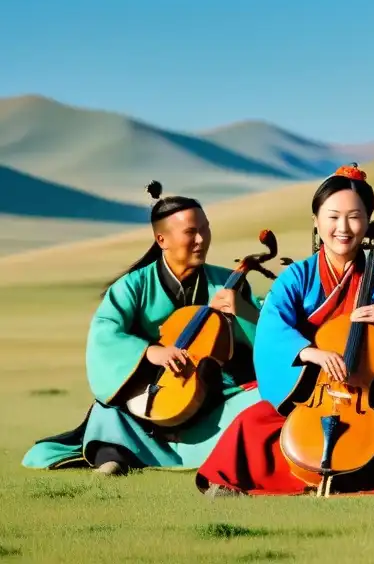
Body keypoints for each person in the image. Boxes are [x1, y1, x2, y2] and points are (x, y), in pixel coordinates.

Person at [195, 165, 374, 496]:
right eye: (333, 216)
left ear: (368, 222)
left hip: (369, 400)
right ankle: (245, 480)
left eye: (354, 217)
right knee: (255, 421)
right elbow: (271, 325)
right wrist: (308, 351)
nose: (343, 227)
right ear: (316, 220)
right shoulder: (297, 277)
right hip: (310, 395)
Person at [22, 182, 262, 475]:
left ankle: (221, 453)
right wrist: (149, 352)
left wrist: (246, 311)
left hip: (213, 395)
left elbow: (265, 339)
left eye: (205, 228)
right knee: (107, 413)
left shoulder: (228, 283)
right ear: (162, 239)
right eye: (191, 232)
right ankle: (114, 458)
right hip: (151, 396)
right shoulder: (133, 286)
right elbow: (105, 333)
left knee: (259, 401)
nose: (201, 239)